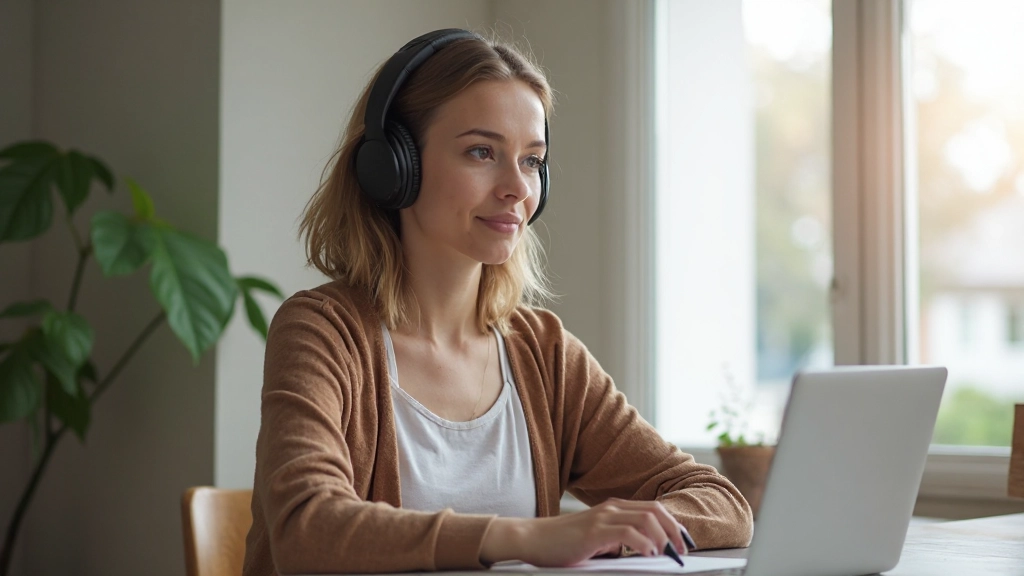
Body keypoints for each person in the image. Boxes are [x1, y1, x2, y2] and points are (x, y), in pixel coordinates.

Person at [242, 29, 752, 576]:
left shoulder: (544, 353)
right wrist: (525, 538)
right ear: (394, 167)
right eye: (482, 152)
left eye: (532, 161)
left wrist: (615, 534)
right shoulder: (322, 332)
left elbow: (722, 504)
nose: (517, 188)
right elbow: (307, 528)